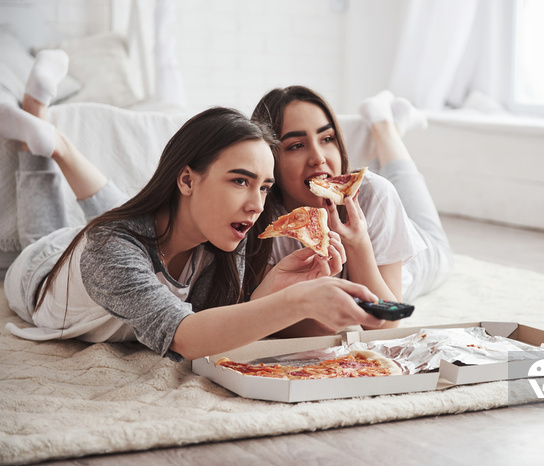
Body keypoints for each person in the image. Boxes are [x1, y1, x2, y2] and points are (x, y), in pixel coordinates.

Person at [1, 51, 383, 361]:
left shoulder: (227, 234)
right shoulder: (108, 251)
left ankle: (50, 134)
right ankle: (44, 124)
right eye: (240, 181)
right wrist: (296, 301)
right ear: (186, 178)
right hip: (41, 267)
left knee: (129, 214)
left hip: (130, 234)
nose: (256, 205)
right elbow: (186, 336)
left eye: (265, 187)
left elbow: (220, 322)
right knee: (62, 233)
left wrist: (273, 288)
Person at [251, 86, 453, 324]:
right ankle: (388, 128)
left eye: (327, 139)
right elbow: (262, 315)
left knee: (441, 248)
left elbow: (387, 325)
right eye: (296, 145)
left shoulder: (375, 194)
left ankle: (384, 127)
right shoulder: (260, 216)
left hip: (419, 259)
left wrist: (358, 243)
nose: (319, 158)